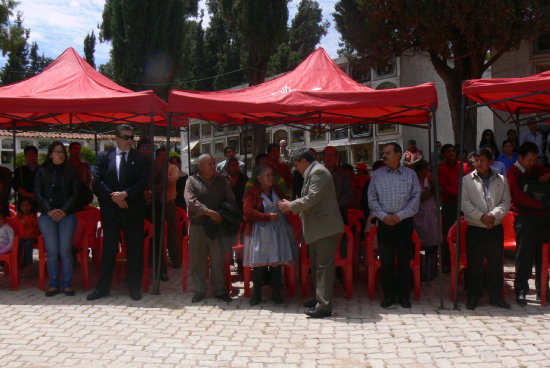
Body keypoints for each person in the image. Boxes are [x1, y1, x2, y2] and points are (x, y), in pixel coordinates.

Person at [277, 148, 344, 318]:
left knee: (323, 267)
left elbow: (313, 197)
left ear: (304, 161)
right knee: (316, 267)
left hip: (325, 228)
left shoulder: (319, 172)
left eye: (296, 164)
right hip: (317, 229)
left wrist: (291, 206)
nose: (295, 168)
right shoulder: (313, 172)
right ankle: (319, 299)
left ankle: (324, 306)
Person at [88, 124, 149, 301]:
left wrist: (126, 194)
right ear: (116, 138)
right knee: (108, 251)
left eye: (132, 137)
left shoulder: (140, 158)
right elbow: (97, 181)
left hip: (133, 210)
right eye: (126, 137)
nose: (130, 140)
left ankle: (134, 288)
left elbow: (143, 181)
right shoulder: (103, 157)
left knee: (134, 250)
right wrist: (114, 196)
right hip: (111, 211)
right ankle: (103, 288)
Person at [368, 143, 421, 308]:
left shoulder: (410, 174)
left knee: (404, 261)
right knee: (387, 262)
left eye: (388, 152)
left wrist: (399, 216)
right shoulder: (377, 175)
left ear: (398, 155)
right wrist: (384, 216)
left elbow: (416, 197)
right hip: (384, 224)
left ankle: (404, 296)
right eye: (383, 153)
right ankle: (389, 296)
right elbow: (372, 199)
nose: (384, 155)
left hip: (404, 223)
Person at [461, 148, 511, 310]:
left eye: (482, 160)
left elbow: (505, 202)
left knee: (495, 264)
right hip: (475, 227)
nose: (479, 163)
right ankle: (474, 297)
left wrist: (493, 216)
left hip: (494, 227)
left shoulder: (501, 180)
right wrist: (481, 216)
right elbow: (464, 204)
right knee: (475, 264)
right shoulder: (467, 180)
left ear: (491, 162)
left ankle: (496, 297)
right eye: (476, 160)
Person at [184, 153, 236, 304]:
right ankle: (199, 290)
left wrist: (220, 214)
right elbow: (190, 201)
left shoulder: (221, 181)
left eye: (214, 163)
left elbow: (231, 199)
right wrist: (208, 212)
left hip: (217, 226)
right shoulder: (191, 181)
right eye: (210, 164)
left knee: (217, 260)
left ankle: (220, 290)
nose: (213, 166)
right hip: (198, 226)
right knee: (197, 261)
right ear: (200, 166)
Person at [243, 166, 297, 306]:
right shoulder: (252, 192)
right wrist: (266, 217)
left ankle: (277, 293)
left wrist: (287, 211)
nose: (271, 178)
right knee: (259, 263)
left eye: (272, 175)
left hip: (278, 230)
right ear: (259, 179)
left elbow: (287, 206)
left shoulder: (277, 191)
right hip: (259, 231)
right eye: (267, 175)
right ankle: (257, 295)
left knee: (276, 262)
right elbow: (248, 211)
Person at [506, 142, 550, 305]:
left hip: (543, 219)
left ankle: (543, 290)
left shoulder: (536, 169)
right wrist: (541, 205)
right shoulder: (513, 172)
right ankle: (521, 290)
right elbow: (517, 196)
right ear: (521, 157)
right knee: (524, 256)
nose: (532, 163)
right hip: (524, 219)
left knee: (542, 257)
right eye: (529, 160)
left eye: (534, 160)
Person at [35, 141, 78, 297]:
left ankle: (66, 283)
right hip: (48, 216)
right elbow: (38, 193)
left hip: (67, 215)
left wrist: (64, 210)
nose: (60, 154)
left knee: (65, 251)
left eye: (62, 152)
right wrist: (49, 210)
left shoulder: (70, 171)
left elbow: (75, 193)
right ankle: (54, 283)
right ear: (51, 154)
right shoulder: (42, 171)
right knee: (52, 252)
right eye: (57, 151)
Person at [438, 144, 470, 272]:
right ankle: (446, 262)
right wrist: (459, 194)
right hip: (450, 205)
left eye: (452, 151)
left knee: (465, 233)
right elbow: (444, 186)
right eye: (448, 151)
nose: (451, 153)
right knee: (448, 234)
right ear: (444, 155)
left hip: (464, 205)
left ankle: (465, 260)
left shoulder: (464, 166)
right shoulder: (441, 168)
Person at [152, 146, 180, 275]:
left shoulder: (173, 168)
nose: (163, 158)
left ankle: (175, 258)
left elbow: (171, 180)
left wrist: (160, 177)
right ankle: (155, 259)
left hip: (169, 204)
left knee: (173, 232)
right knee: (155, 232)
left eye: (165, 155)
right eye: (160, 155)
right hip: (156, 204)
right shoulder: (154, 167)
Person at [412, 160, 439, 282]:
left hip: (431, 217)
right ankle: (422, 272)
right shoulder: (413, 182)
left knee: (432, 246)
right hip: (420, 216)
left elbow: (440, 192)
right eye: (425, 171)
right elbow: (418, 199)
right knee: (421, 246)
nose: (427, 173)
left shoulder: (430, 182)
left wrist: (432, 182)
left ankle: (430, 272)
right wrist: (430, 192)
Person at [322, 146, 353, 224]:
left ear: (336, 157)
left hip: (339, 212)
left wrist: (335, 205)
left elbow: (349, 194)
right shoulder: (317, 173)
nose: (329, 158)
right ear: (323, 158)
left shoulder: (344, 174)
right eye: (327, 155)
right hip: (320, 213)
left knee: (341, 235)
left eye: (332, 155)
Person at [17, 197, 40, 274]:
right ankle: (17, 263)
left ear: (31, 206)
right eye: (23, 205)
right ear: (20, 207)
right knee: (17, 243)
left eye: (28, 205)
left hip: (33, 237)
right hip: (23, 237)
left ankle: (29, 265)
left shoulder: (34, 217)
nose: (26, 207)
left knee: (27, 243)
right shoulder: (19, 216)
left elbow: (37, 229)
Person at [13, 145, 39, 211]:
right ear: (25, 156)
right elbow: (16, 186)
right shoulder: (20, 170)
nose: (31, 157)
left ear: (37, 155)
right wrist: (30, 195)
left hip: (39, 203)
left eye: (33, 154)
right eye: (29, 155)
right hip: (24, 204)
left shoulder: (43, 170)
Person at [68, 142, 93, 210]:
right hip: (68, 196)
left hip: (82, 197)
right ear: (69, 150)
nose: (78, 151)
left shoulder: (85, 165)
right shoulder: (65, 165)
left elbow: (89, 181)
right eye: (75, 149)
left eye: (79, 149)